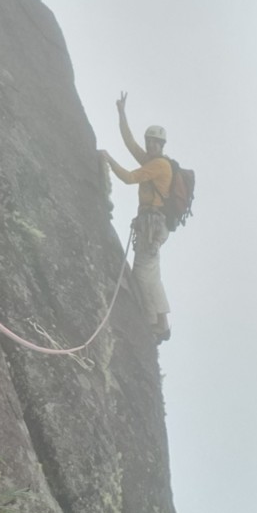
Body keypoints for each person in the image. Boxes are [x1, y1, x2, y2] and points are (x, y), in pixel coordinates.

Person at [99, 92, 173, 342]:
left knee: (143, 272)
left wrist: (109, 161)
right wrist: (122, 114)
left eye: (155, 143)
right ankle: (162, 323)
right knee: (151, 272)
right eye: (149, 142)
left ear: (161, 147)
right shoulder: (151, 160)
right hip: (150, 223)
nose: (151, 146)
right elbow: (130, 143)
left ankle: (153, 321)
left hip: (153, 225)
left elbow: (130, 178)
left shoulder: (159, 166)